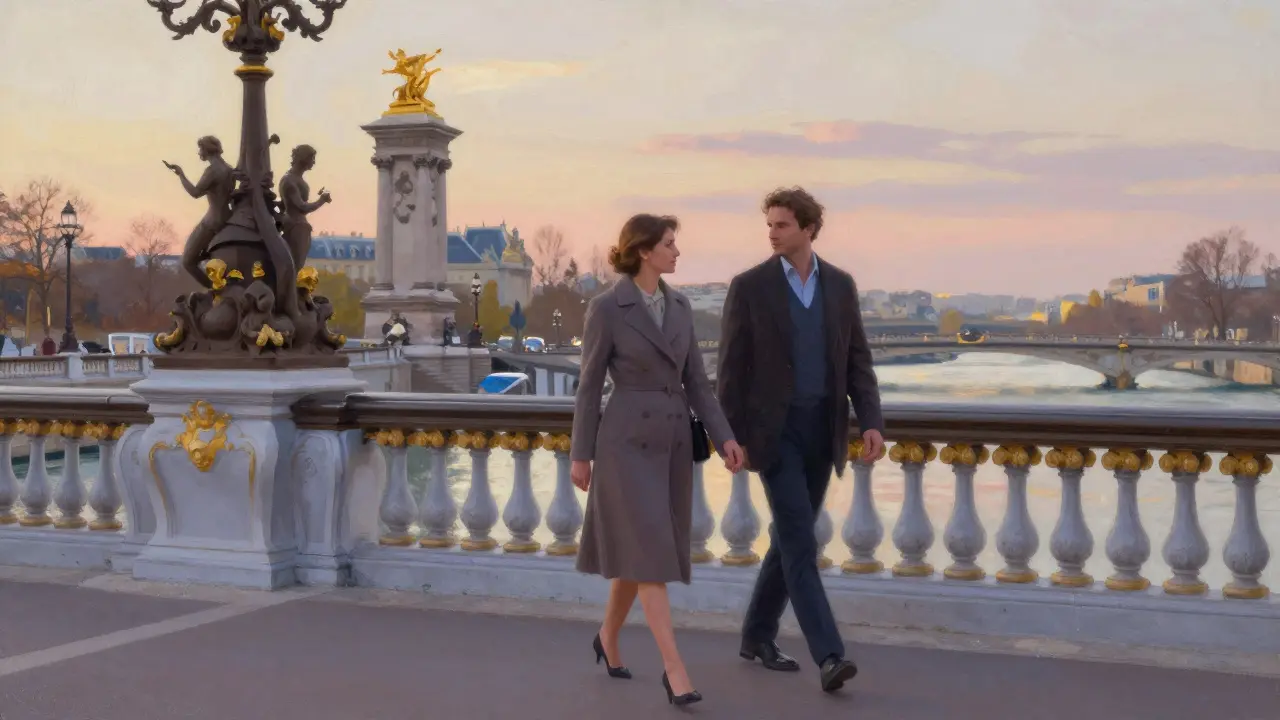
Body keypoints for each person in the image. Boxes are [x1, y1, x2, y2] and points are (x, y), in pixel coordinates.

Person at [571, 213, 745, 708]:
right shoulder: (607, 308)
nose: (677, 252)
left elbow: (698, 385)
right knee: (650, 552)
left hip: (669, 442)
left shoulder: (682, 307)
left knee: (640, 550)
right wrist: (580, 453)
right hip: (624, 443)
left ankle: (607, 638)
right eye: (669, 244)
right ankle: (675, 670)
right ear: (644, 251)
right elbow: (588, 388)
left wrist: (725, 436)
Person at [717, 186, 885, 694]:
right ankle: (830, 655)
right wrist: (730, 435)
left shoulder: (840, 285)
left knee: (791, 538)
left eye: (782, 225)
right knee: (800, 540)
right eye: (769, 224)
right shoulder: (749, 287)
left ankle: (756, 634)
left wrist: (871, 419)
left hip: (824, 430)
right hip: (774, 434)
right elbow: (730, 370)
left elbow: (857, 359)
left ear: (809, 228)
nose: (772, 233)